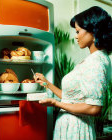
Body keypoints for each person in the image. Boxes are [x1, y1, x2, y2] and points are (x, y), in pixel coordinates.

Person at [34, 6, 112, 140]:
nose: (76, 36)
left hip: (76, 129)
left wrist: (55, 103)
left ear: (94, 32)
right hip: (71, 126)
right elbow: (70, 98)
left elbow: (94, 108)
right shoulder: (95, 58)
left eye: (78, 31)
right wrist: (47, 84)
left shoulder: (96, 61)